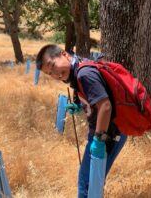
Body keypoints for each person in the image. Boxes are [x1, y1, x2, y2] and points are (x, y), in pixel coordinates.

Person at [36, 44, 127, 198]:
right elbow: (94, 97)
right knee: (90, 182)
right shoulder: (77, 70)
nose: (55, 74)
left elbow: (105, 106)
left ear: (64, 54)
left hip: (109, 133)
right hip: (103, 132)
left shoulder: (84, 73)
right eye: (50, 73)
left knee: (88, 185)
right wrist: (79, 105)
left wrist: (98, 140)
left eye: (53, 65)